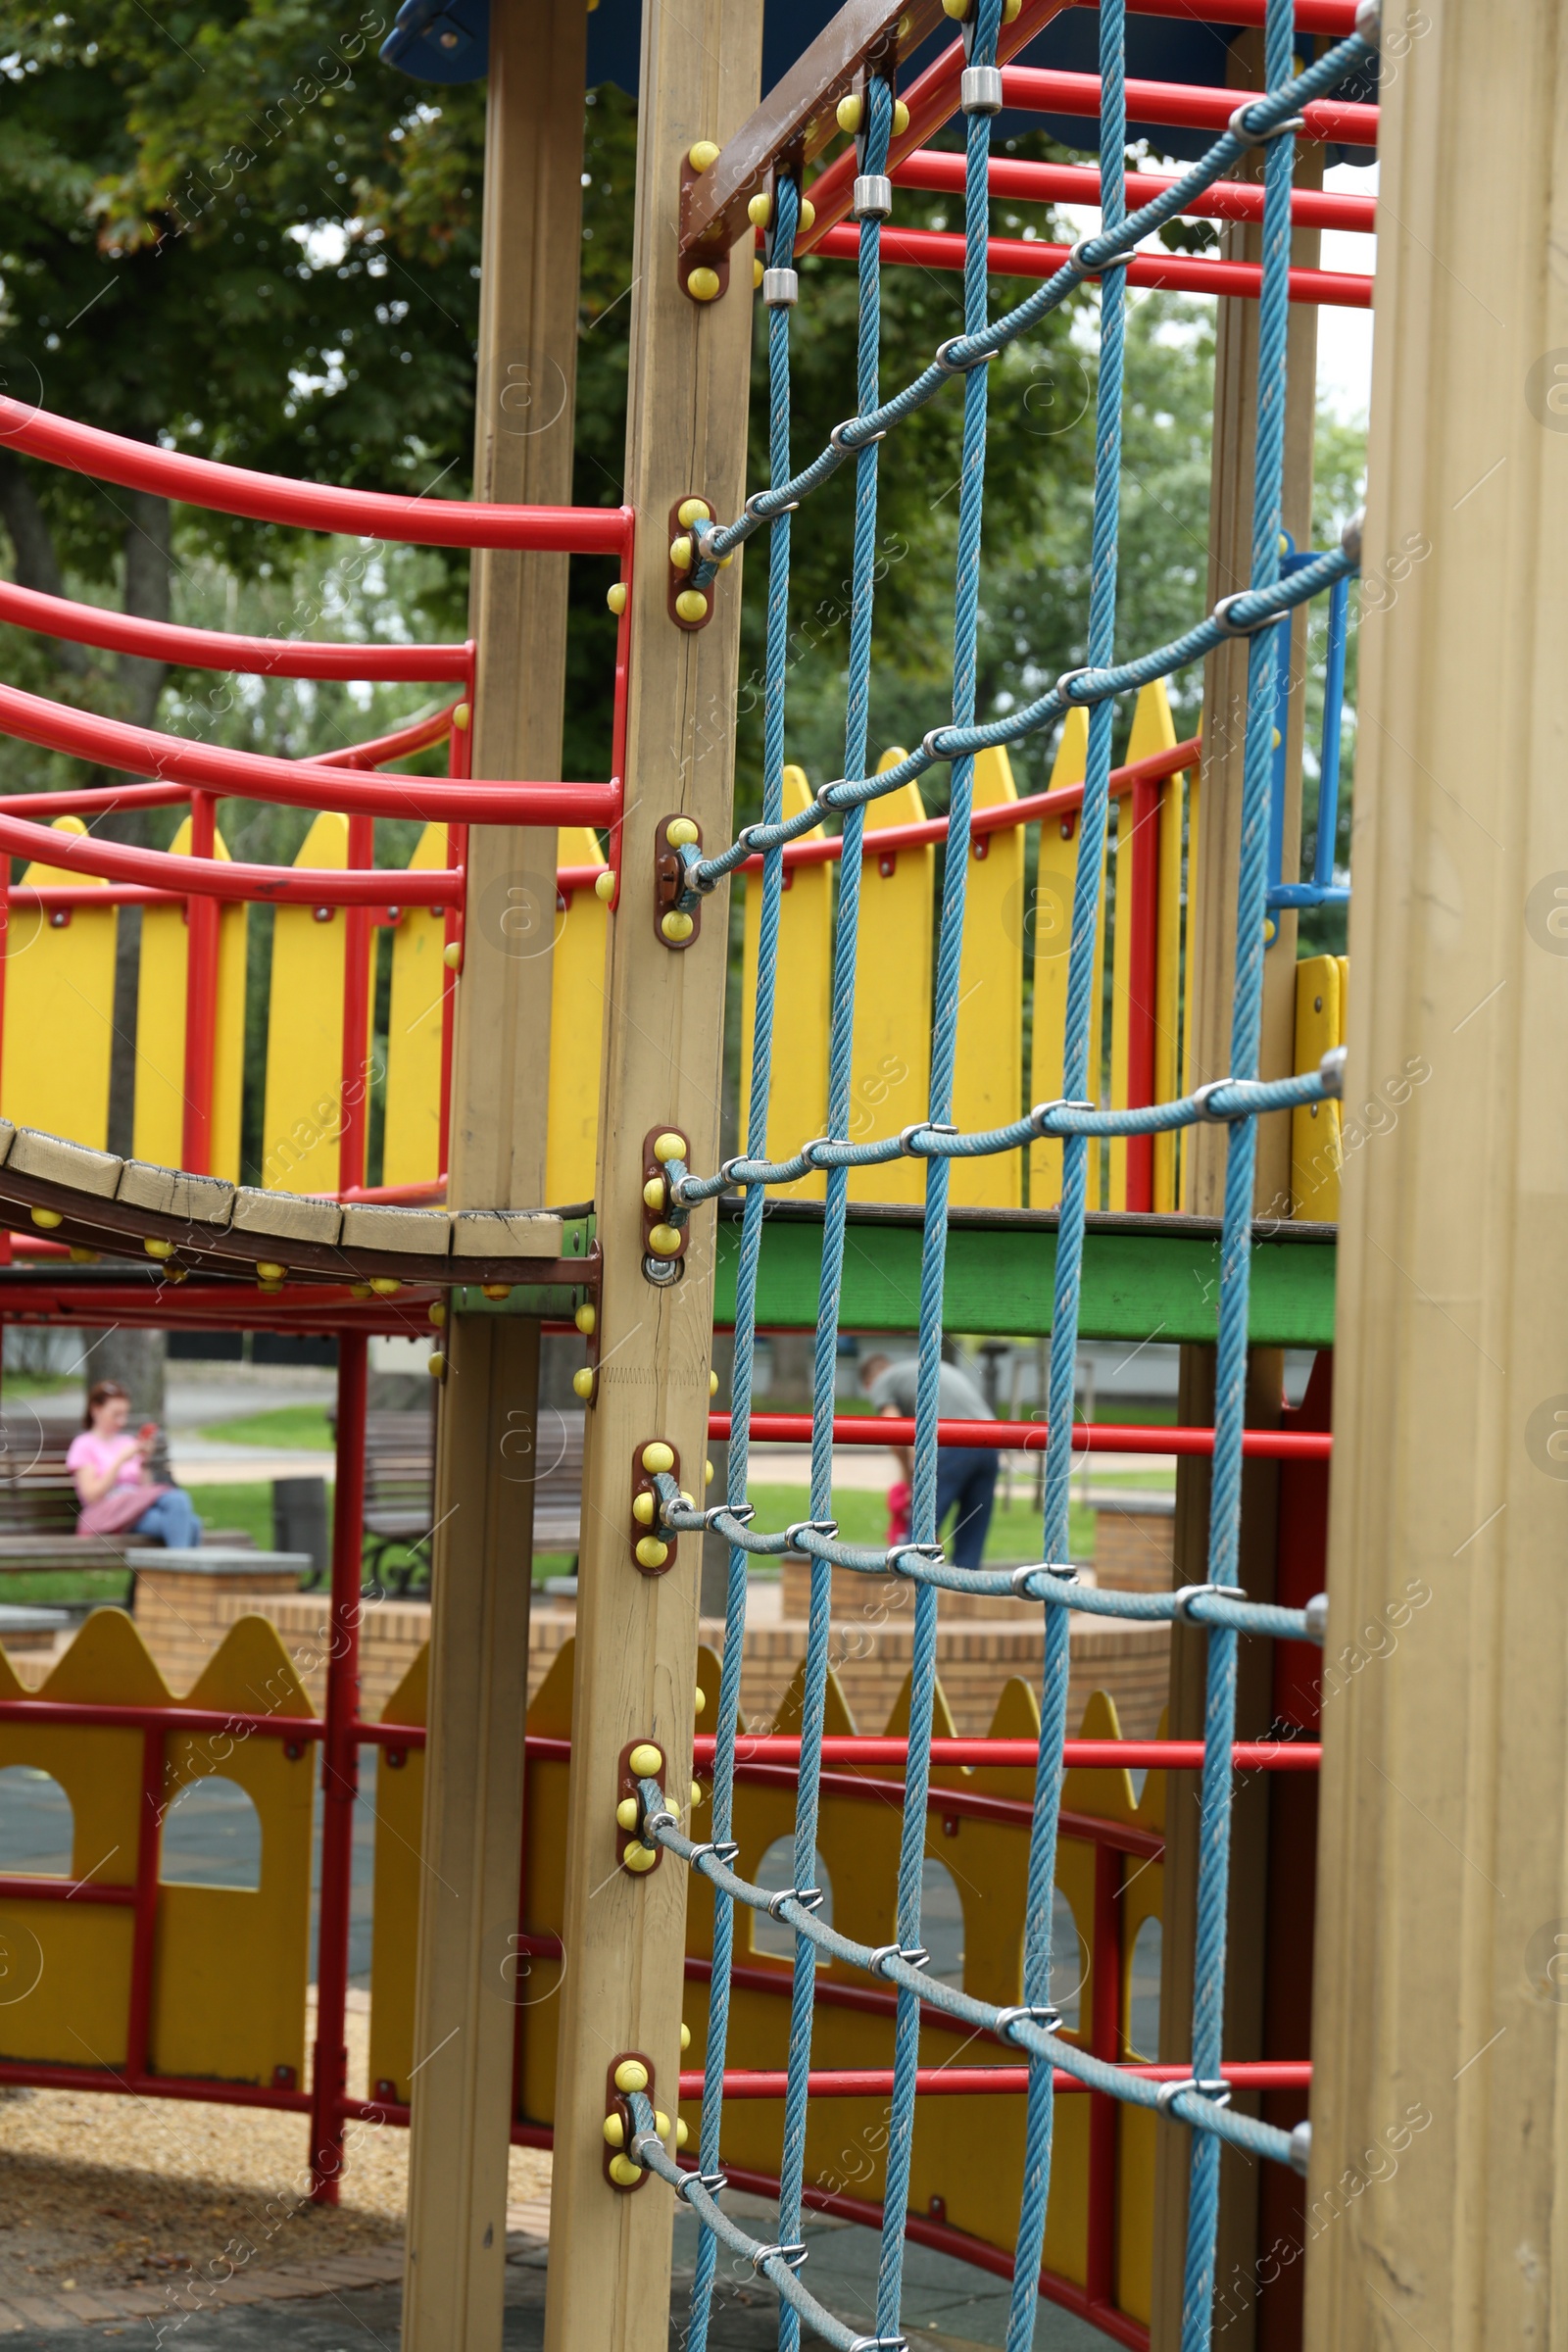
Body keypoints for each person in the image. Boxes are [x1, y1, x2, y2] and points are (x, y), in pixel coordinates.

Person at [858, 1348, 997, 1573]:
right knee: (972, 1528)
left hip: (954, 1442)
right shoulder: (920, 1370)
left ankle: (905, 1587)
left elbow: (892, 1433)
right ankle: (965, 1586)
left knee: (920, 1531)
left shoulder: (882, 1381)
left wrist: (907, 1478)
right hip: (990, 1443)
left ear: (868, 1384)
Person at [68, 1380, 202, 1547]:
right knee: (188, 1521)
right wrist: (120, 1461)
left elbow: (145, 1490)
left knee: (183, 1508)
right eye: (116, 1414)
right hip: (109, 1513)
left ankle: (175, 1571)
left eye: (124, 1414)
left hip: (136, 1507)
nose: (121, 1421)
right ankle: (180, 1572)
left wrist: (144, 1461)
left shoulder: (127, 1442)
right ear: (96, 1410)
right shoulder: (84, 1445)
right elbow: (92, 1495)